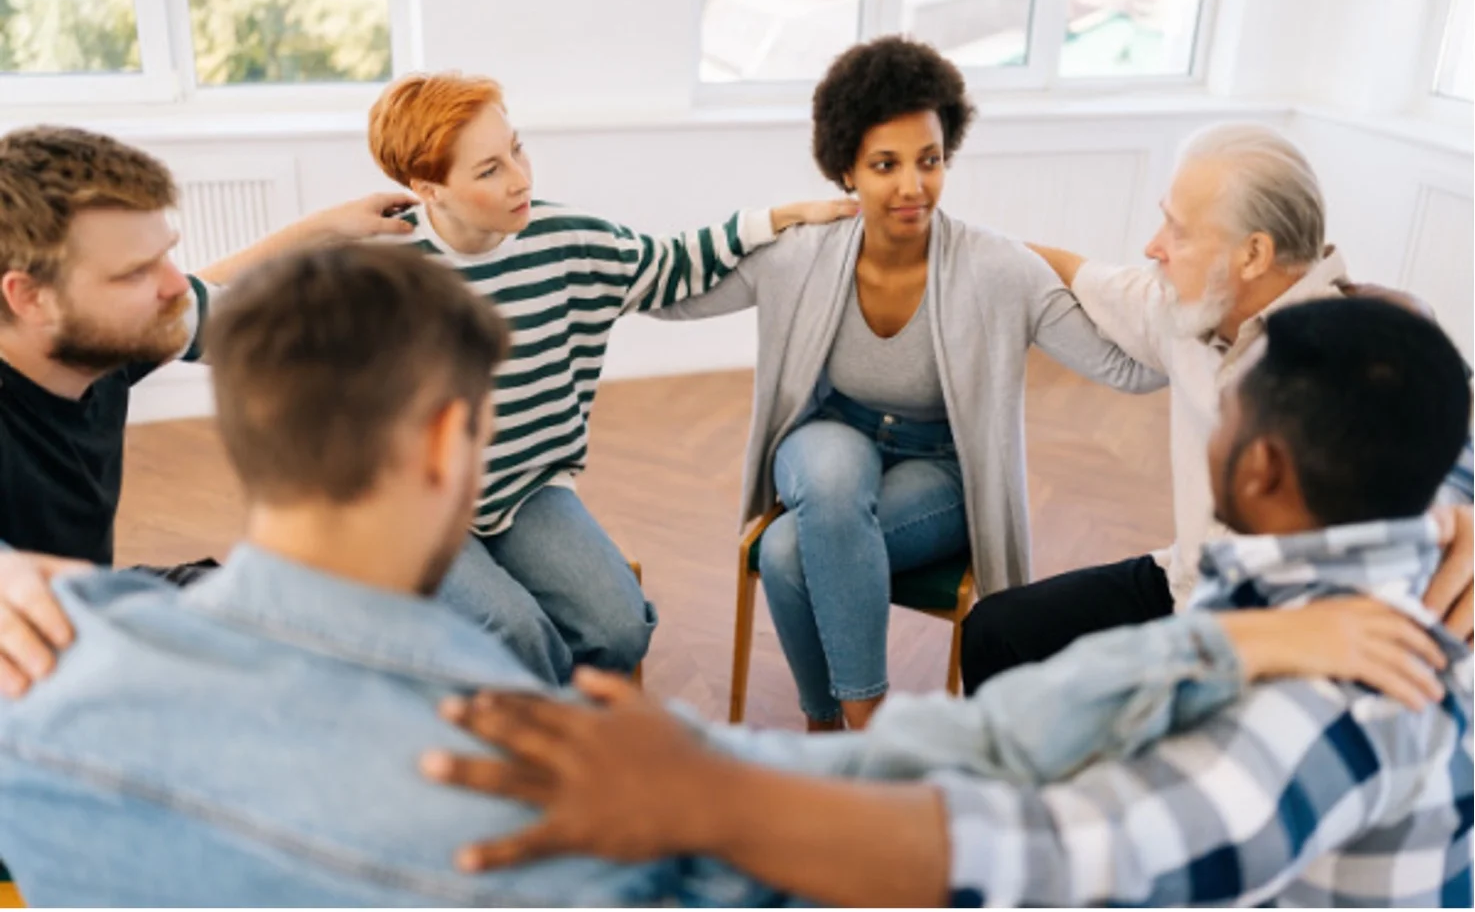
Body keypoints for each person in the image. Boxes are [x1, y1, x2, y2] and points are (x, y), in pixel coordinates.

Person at [0, 252, 1450, 907]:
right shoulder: (565, 793)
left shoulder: (52, 670)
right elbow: (957, 786)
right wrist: (1192, 653)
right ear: (456, 438)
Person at [426, 297, 1475, 908]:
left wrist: (705, 798)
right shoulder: (1386, 550)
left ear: (1261, 470)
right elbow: (999, 744)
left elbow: (1040, 853)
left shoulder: (1335, 702)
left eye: (1222, 415)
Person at [653, 36, 1165, 729]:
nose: (911, 186)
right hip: (831, 436)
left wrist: (1088, 273)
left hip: (938, 468)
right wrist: (762, 222)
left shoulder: (996, 269)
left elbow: (1127, 368)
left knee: (785, 548)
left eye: (928, 161)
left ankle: (827, 723)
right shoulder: (800, 254)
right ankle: (872, 726)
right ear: (845, 170)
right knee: (829, 484)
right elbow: (669, 291)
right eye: (884, 165)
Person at [366, 72, 855, 683]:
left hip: (526, 489)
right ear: (427, 187)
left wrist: (776, 218)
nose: (520, 178)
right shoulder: (380, 272)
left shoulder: (564, 239)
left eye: (516, 149)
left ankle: (533, 721)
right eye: (489, 170)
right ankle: (548, 751)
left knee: (621, 629)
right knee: (514, 632)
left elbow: (671, 263)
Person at [959, 122, 1475, 691]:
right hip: (1187, 587)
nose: (1153, 246)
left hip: (1288, 642)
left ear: (1253, 253)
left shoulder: (1358, 353)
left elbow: (1457, 432)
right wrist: (938, 238)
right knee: (997, 630)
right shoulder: (1187, 310)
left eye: (1177, 231)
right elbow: (1078, 271)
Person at [0, 127, 412, 660]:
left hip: (87, 600)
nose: (172, 285)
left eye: (164, 256)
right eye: (134, 273)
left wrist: (330, 228)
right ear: (29, 296)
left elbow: (212, 297)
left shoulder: (95, 338)